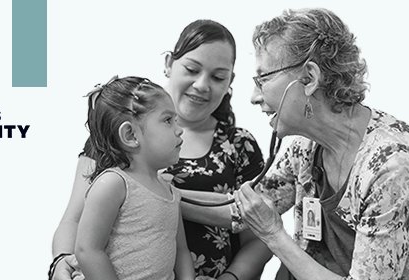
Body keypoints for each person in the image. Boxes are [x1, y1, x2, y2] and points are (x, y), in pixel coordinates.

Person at [228, 8, 409, 280]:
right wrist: (172, 192)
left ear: (308, 78)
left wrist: (274, 235)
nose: (253, 97)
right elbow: (244, 208)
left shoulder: (392, 164)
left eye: (263, 79)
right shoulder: (305, 148)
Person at [51, 20, 272, 280]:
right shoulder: (114, 140)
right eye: (192, 69)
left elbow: (261, 234)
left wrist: (230, 278)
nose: (202, 85)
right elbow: (75, 219)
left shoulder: (239, 145)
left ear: (230, 82)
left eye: (218, 77)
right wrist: (60, 264)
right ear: (169, 64)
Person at [71, 76, 193, 280]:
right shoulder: (112, 184)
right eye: (167, 120)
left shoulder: (170, 190)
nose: (179, 129)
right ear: (130, 135)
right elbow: (87, 250)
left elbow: (181, 251)